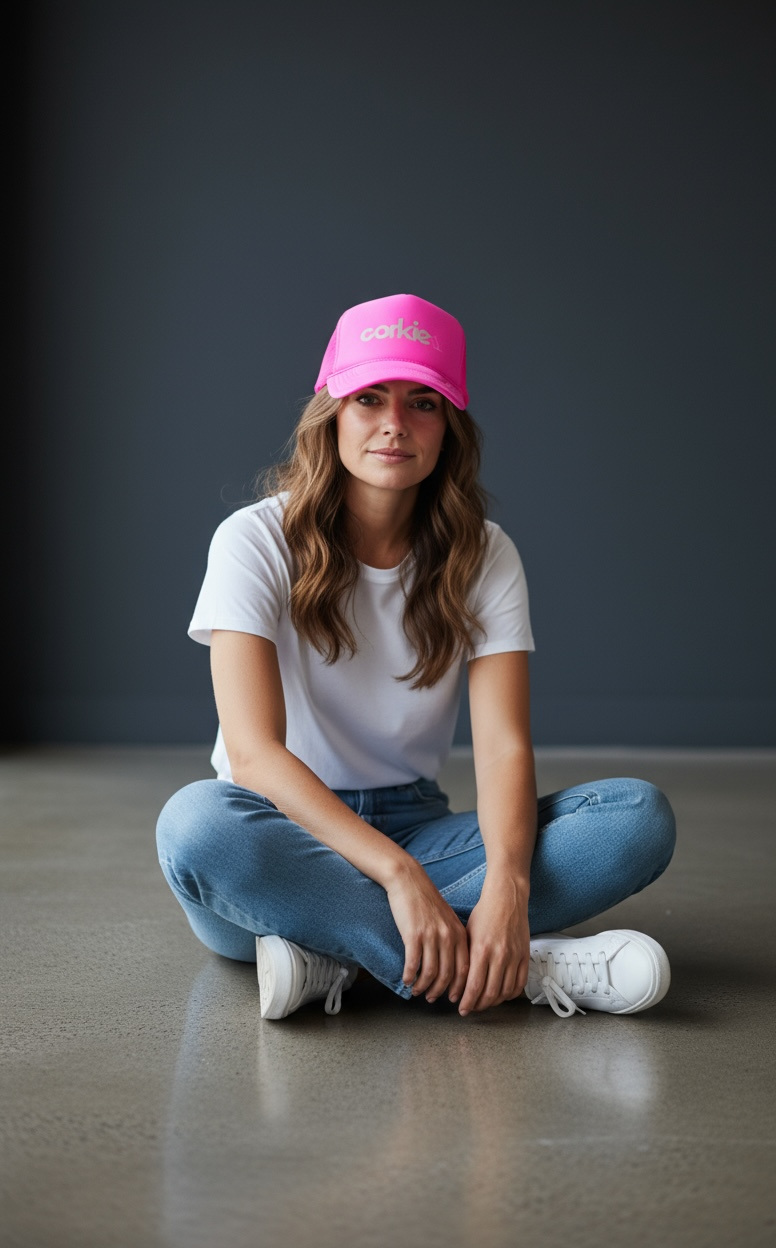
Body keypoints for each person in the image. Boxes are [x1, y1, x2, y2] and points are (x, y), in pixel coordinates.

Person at [156, 293, 676, 1022]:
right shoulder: (251, 541)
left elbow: (501, 749)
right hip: (280, 829)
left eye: (422, 402)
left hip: (420, 825)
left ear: (449, 426)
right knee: (195, 827)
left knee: (635, 816)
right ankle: (513, 968)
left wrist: (507, 888)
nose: (394, 424)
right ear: (331, 413)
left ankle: (332, 952)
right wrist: (398, 876)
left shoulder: (485, 553)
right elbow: (253, 756)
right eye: (368, 398)